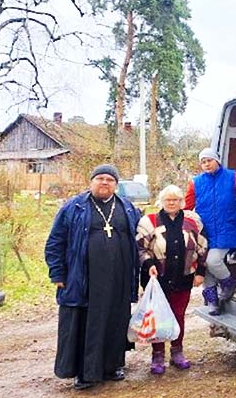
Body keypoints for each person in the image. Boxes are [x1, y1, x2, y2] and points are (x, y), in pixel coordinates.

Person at [44, 164, 140, 391]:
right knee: (85, 324)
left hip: (119, 278)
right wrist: (57, 272)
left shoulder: (127, 208)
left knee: (116, 322)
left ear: (116, 184)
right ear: (91, 182)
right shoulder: (74, 207)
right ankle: (84, 373)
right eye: (100, 179)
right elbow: (55, 242)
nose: (104, 183)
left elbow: (141, 241)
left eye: (109, 179)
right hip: (84, 278)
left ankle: (112, 365)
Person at [136, 184, 207, 375]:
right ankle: (157, 355)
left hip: (183, 277)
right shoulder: (149, 221)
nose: (172, 203)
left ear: (181, 202)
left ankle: (177, 352)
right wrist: (149, 263)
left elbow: (202, 247)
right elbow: (141, 248)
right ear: (162, 201)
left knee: (178, 315)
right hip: (157, 278)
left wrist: (200, 271)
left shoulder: (192, 222)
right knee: (158, 317)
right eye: (168, 199)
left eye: (175, 200)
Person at [184, 147, 236, 315]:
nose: (206, 164)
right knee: (205, 265)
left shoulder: (234, 177)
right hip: (205, 232)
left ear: (217, 160)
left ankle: (228, 283)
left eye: (209, 160)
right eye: (203, 162)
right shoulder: (196, 183)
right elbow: (186, 207)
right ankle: (212, 301)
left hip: (227, 230)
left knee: (213, 261)